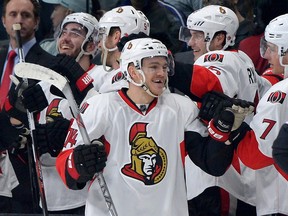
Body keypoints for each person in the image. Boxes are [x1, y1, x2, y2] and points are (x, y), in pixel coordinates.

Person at [55, 37, 252, 216]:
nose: (162, 73)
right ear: (132, 71)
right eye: (154, 67)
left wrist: (222, 130)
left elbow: (212, 165)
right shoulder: (101, 106)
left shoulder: (180, 107)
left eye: (165, 67)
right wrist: (79, 163)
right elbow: (66, 169)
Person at [172, 4, 272, 216]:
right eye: (190, 35)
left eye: (198, 36)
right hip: (234, 168)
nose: (191, 43)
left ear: (219, 39)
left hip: (220, 175)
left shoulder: (219, 59)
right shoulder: (243, 58)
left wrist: (164, 65)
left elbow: (208, 82)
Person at [15, 12, 100, 214]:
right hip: (49, 197)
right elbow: (26, 135)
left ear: (91, 45)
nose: (66, 38)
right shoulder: (43, 84)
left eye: (76, 33)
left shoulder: (102, 77)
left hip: (88, 198)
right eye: (63, 32)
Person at [0, 0, 56, 213]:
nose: (19, 20)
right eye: (13, 14)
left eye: (26, 15)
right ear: (3, 20)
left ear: (36, 22)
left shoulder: (50, 65)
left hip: (25, 171)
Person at [234, 13, 288, 215]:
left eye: (272, 49)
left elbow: (255, 157)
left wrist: (238, 127)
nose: (265, 56)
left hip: (279, 204)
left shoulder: (280, 92)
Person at [89, 5, 150, 93]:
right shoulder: (152, 73)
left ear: (116, 37)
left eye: (102, 35)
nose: (99, 45)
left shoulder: (120, 81)